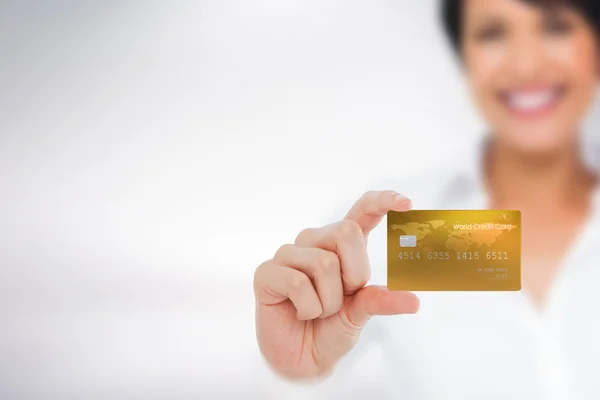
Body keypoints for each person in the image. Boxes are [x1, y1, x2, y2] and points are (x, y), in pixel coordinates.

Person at [253, 0, 600, 398]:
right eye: (492, 33)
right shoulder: (391, 227)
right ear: (465, 57)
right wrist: (293, 372)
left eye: (556, 27)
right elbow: (297, 376)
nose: (526, 65)